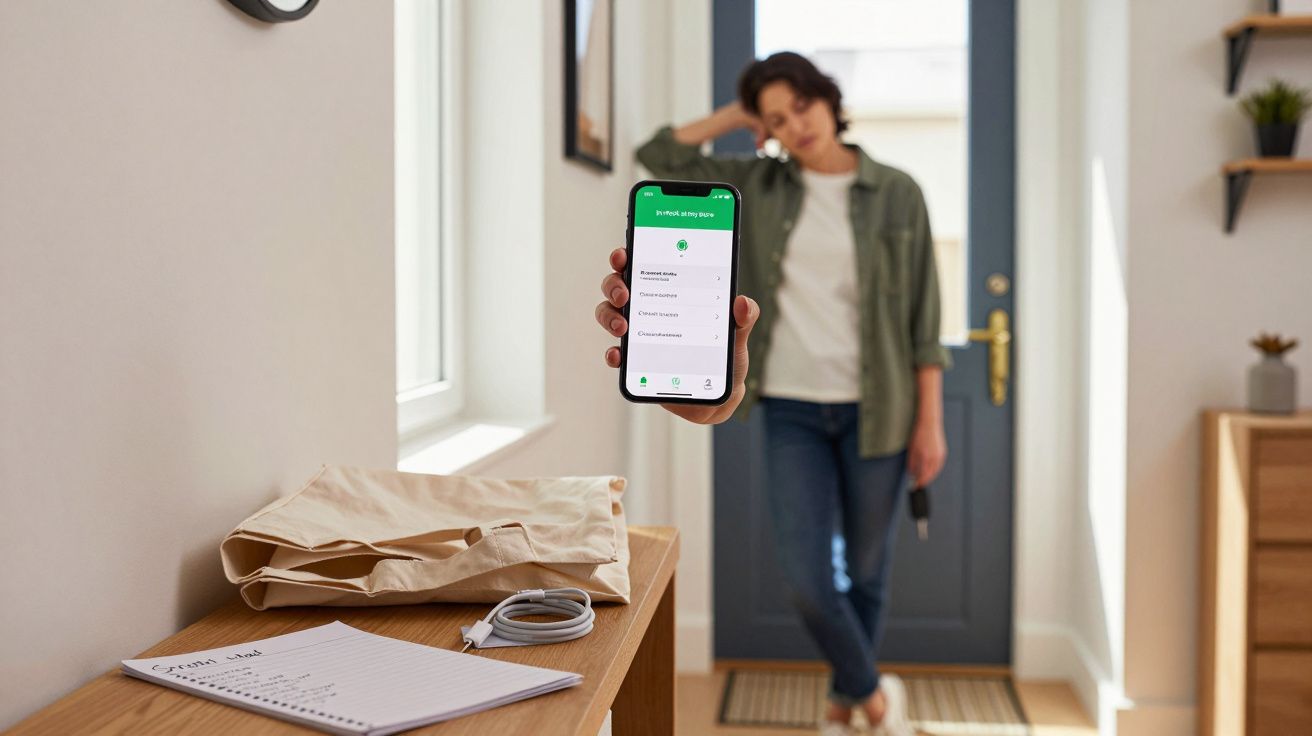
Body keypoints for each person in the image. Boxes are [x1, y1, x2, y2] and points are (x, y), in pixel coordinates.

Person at [594, 51, 949, 736]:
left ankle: (846, 704)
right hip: (790, 408)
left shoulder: (898, 191)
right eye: (778, 119)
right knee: (808, 580)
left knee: (869, 572)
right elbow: (656, 153)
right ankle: (877, 698)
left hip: (882, 411)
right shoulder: (757, 182)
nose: (797, 125)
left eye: (802, 107)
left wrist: (930, 423)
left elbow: (923, 322)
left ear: (828, 100)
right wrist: (738, 115)